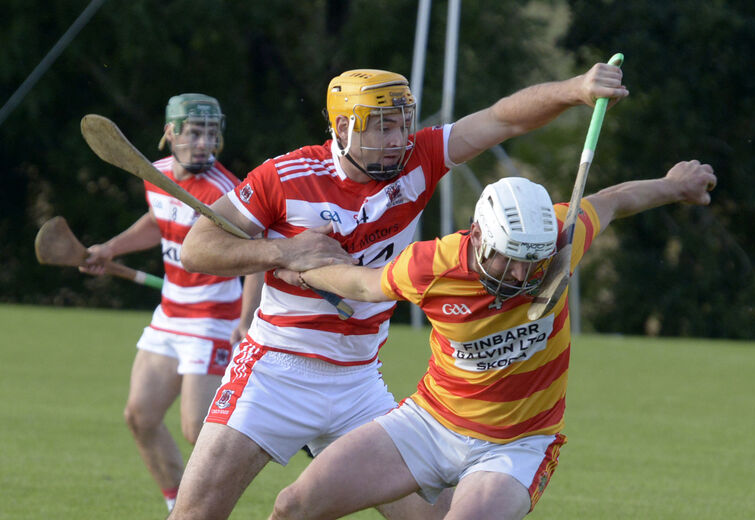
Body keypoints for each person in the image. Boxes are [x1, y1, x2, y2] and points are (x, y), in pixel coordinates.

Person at [170, 63, 629, 519]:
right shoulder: (285, 176)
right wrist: (284, 252)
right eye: (383, 128)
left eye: (403, 125)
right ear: (344, 127)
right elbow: (197, 248)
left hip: (360, 379)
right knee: (196, 514)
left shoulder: (419, 160)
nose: (399, 140)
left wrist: (575, 89)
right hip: (277, 370)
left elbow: (502, 118)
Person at [267, 162, 716, 520]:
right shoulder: (433, 266)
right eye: (508, 259)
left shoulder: (559, 239)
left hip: (517, 445)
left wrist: (674, 185)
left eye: (533, 263)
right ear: (479, 236)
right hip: (428, 424)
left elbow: (612, 201)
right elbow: (363, 284)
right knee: (293, 507)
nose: (522, 276)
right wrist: (296, 266)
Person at [80, 93, 249, 513]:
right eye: (194, 132)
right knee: (140, 416)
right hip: (169, 315)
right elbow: (158, 221)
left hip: (213, 320)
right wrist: (112, 248)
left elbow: (258, 252)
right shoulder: (153, 174)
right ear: (170, 133)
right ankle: (178, 507)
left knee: (198, 431)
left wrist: (248, 317)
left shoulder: (223, 191)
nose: (204, 143)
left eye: (211, 133)